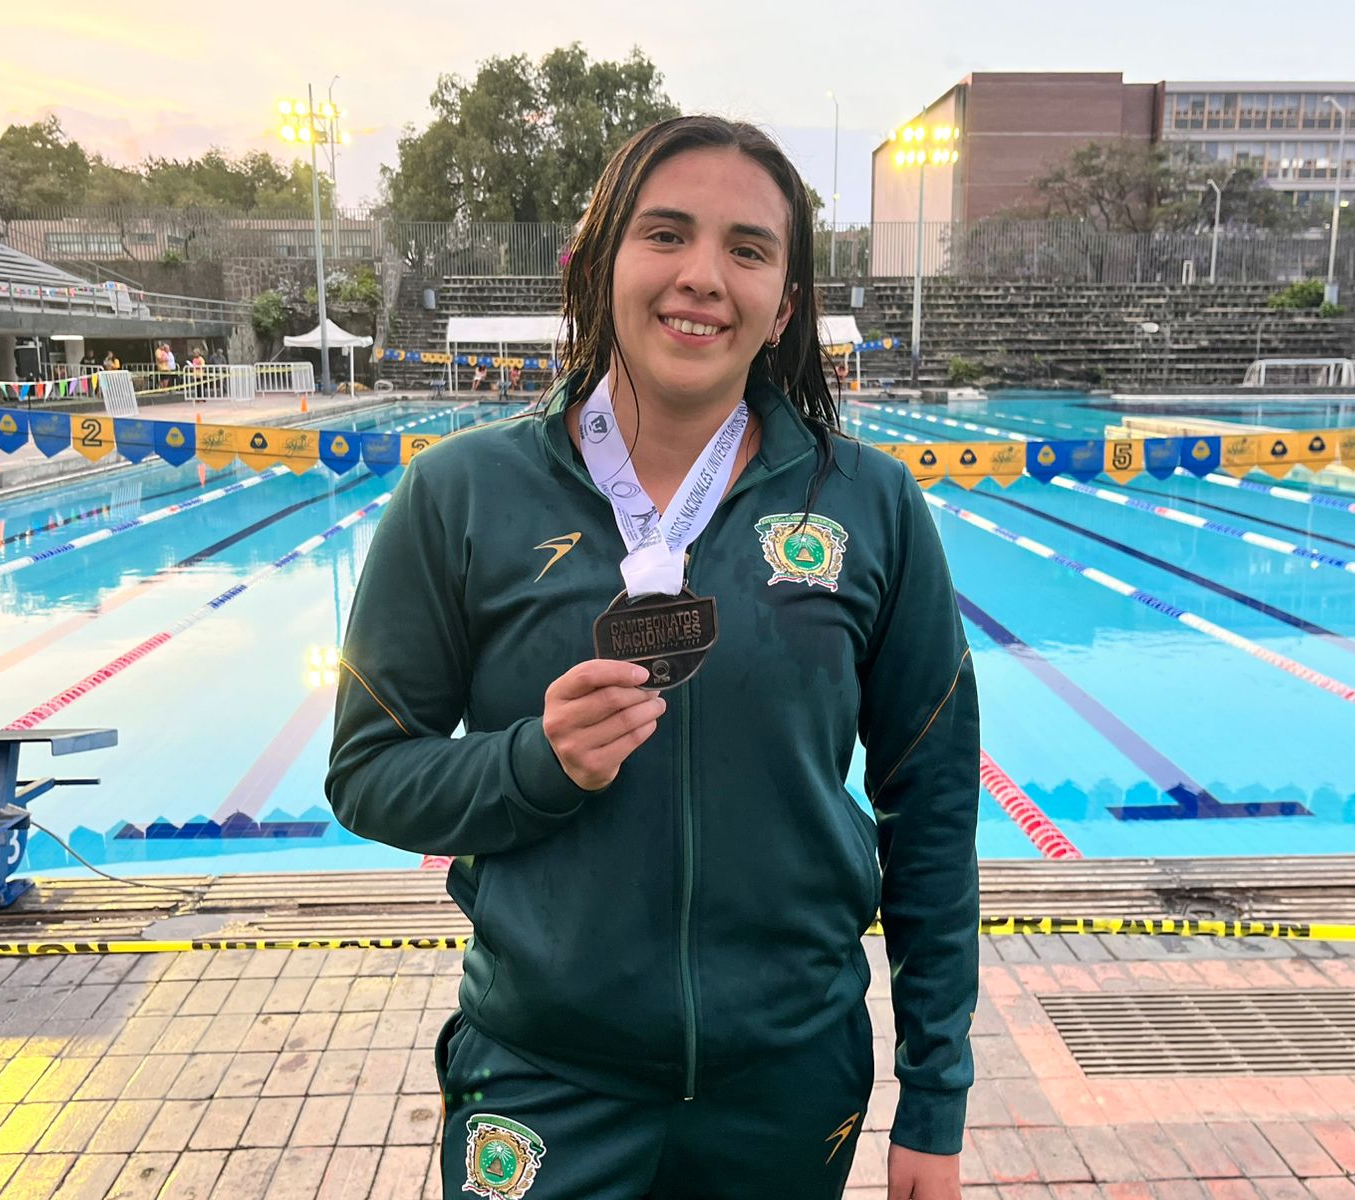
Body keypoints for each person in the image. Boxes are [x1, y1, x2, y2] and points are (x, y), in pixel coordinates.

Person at [328, 115, 979, 1200]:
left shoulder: (870, 504)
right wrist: (536, 764)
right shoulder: (460, 495)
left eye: (747, 249)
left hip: (790, 1082)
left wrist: (936, 1095)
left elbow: (933, 803)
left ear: (785, 304)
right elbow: (366, 773)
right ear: (597, 268)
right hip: (544, 1080)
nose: (703, 276)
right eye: (666, 234)